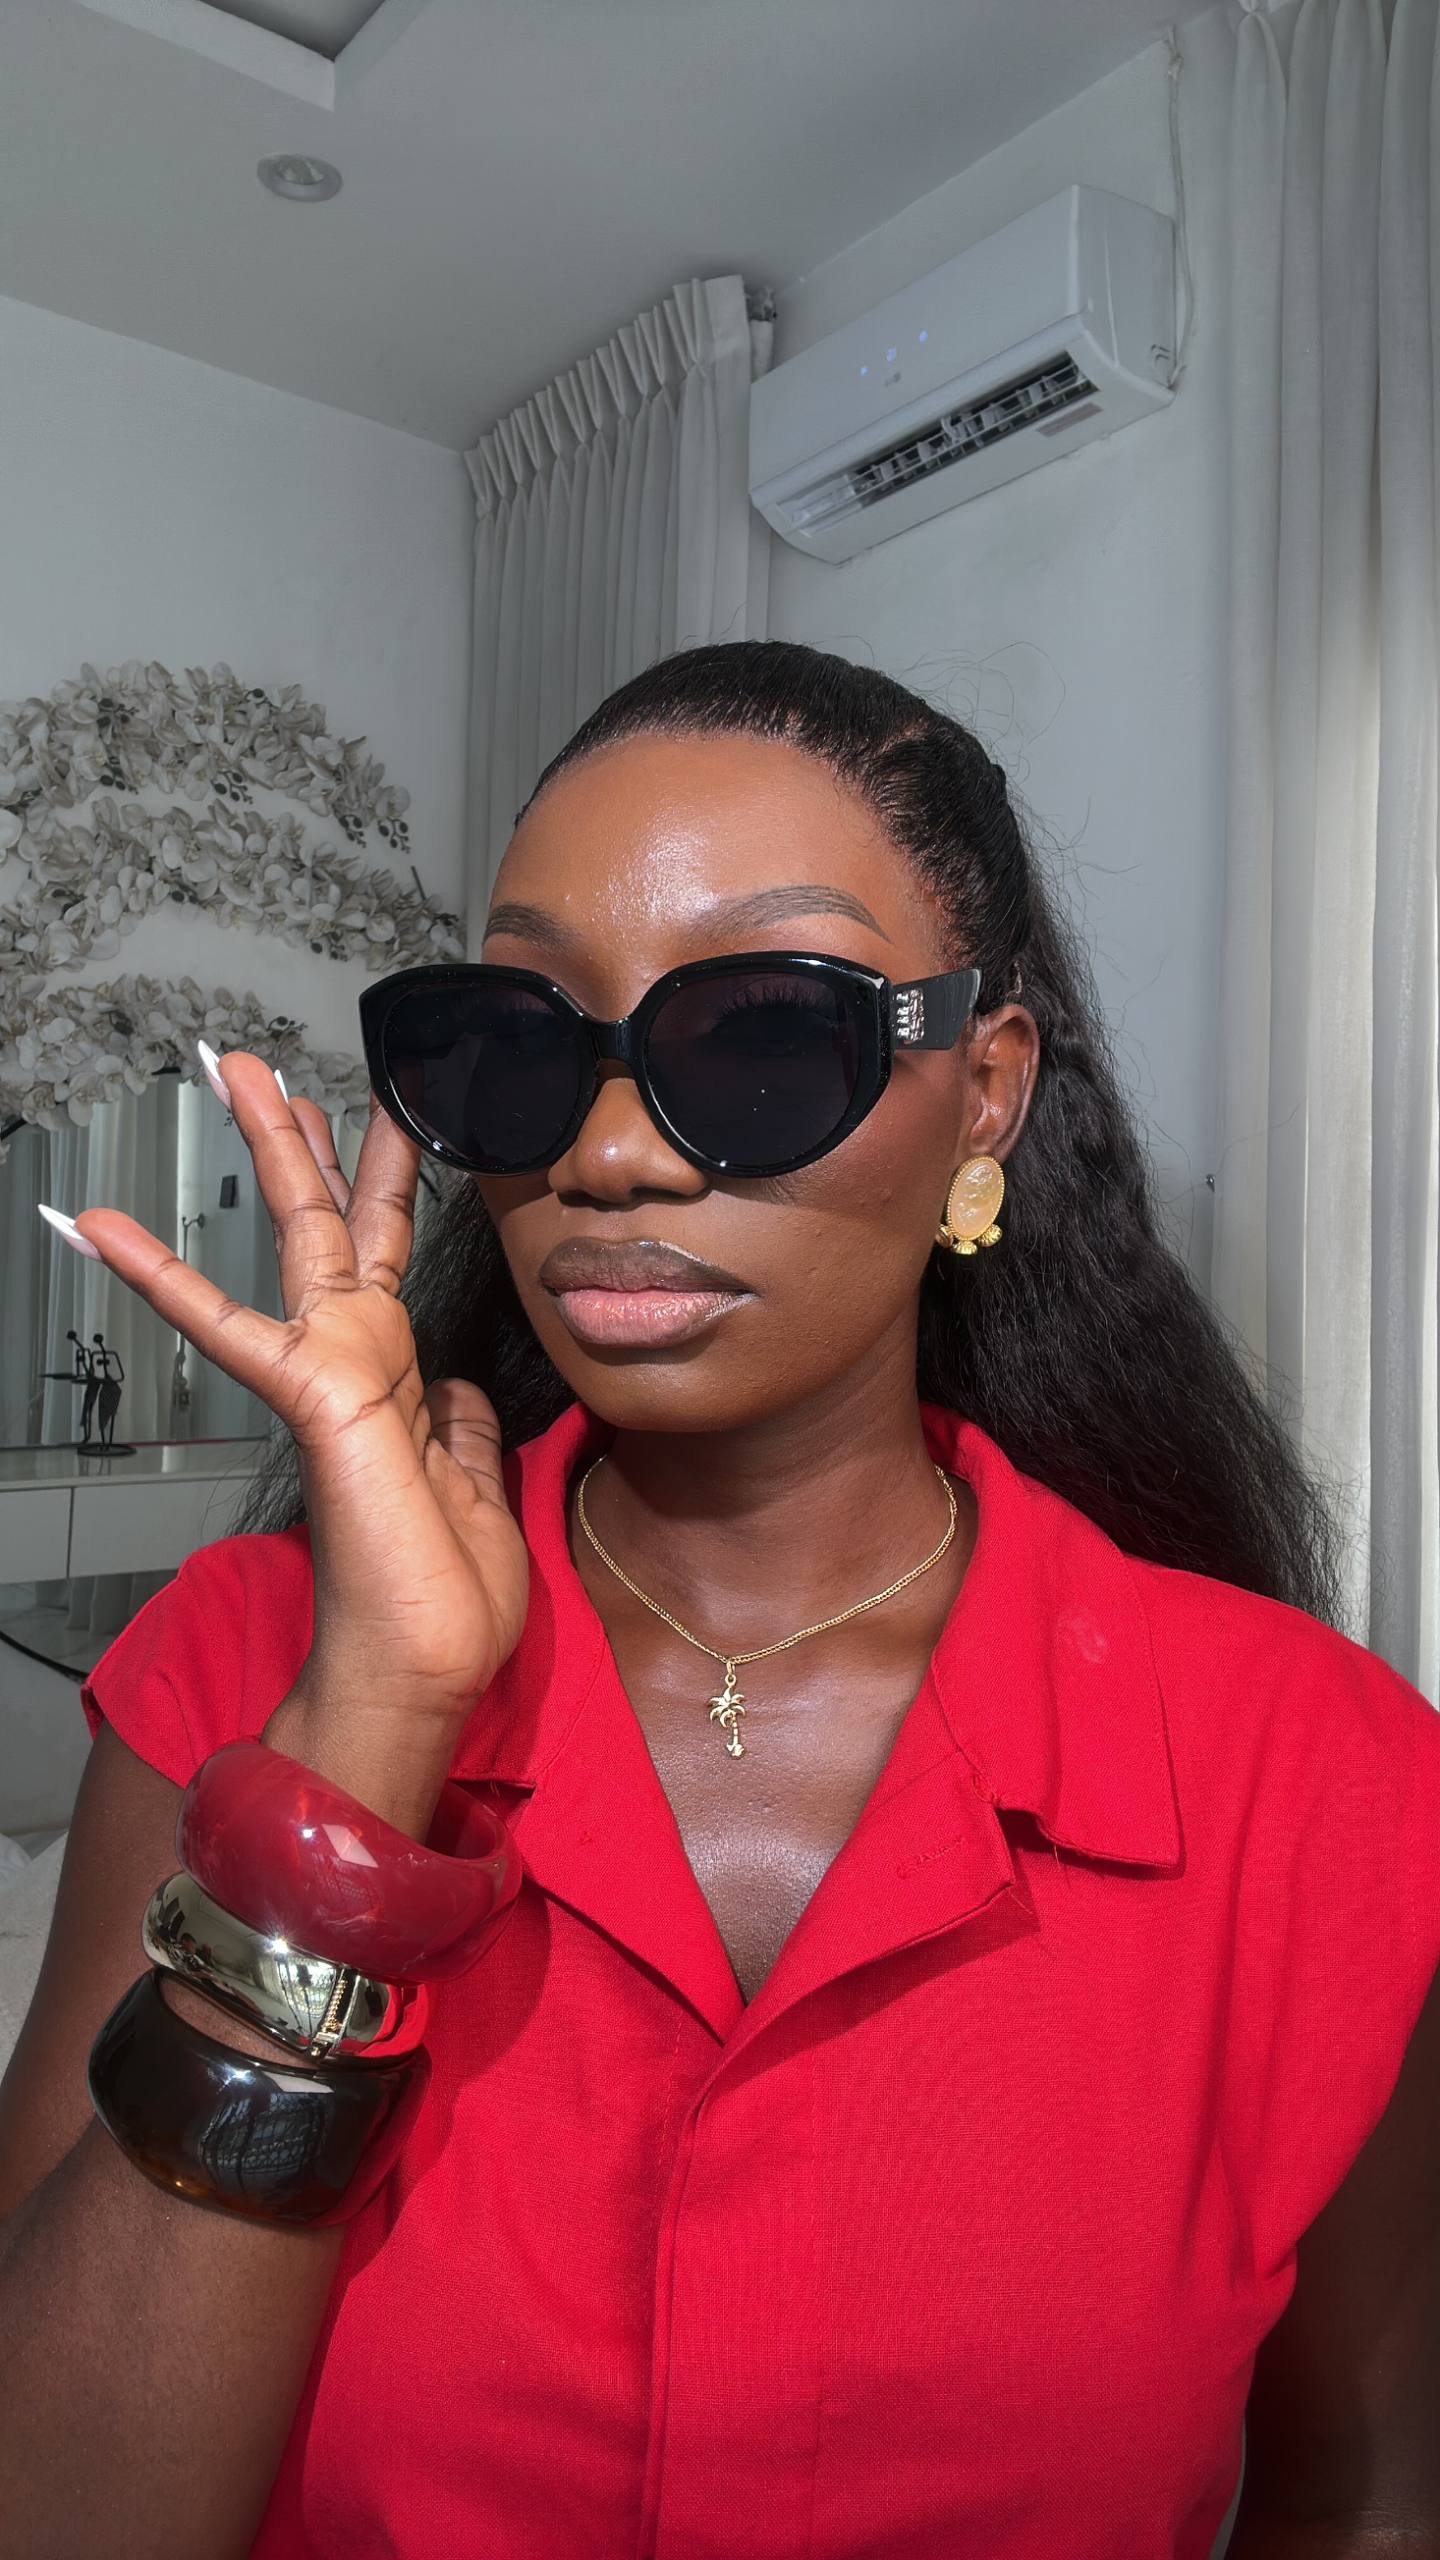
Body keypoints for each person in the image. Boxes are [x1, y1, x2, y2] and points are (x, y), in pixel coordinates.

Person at [2, 640, 1437, 2559]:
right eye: (520, 1043)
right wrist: (367, 1741)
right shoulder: (234, 1668)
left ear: (986, 1095)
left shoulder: (1320, 1780)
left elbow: (1364, 2498)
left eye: (764, 1035)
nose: (604, 1157)